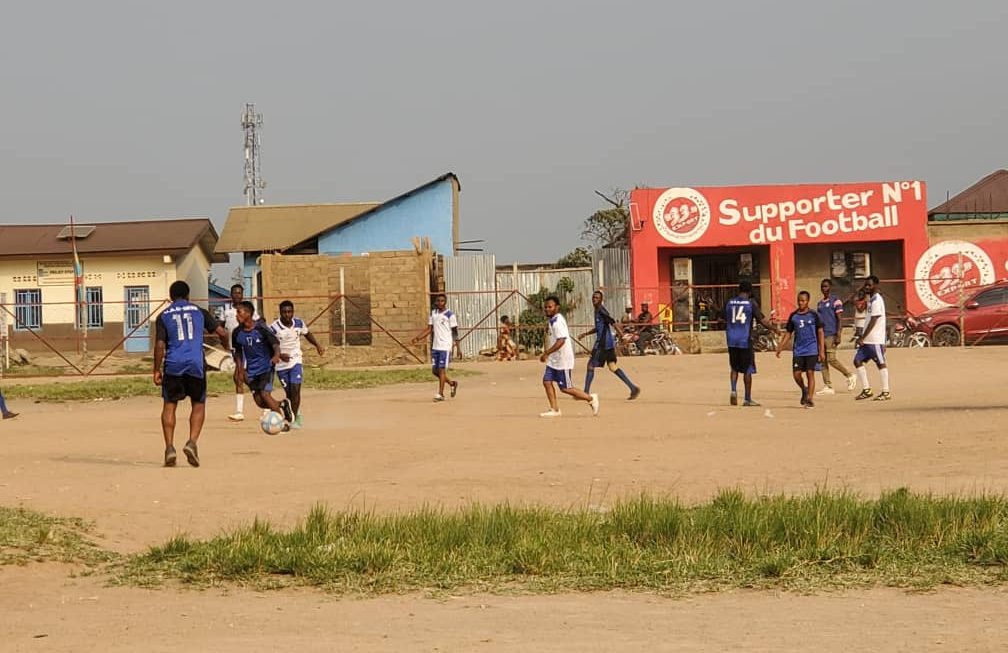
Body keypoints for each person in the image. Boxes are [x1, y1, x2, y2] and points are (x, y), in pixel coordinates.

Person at [153, 280, 230, 467]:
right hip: (196, 364)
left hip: (173, 365)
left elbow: (160, 345)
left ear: (171, 297)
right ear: (188, 295)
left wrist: (156, 369)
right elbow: (222, 333)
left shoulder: (163, 316)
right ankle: (192, 442)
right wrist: (226, 347)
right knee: (198, 404)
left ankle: (169, 448)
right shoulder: (200, 312)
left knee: (170, 405)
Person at [232, 301, 293, 426]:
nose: (236, 315)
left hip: (266, 367)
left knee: (265, 394)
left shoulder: (261, 328)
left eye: (239, 312)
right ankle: (282, 404)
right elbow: (238, 353)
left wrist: (277, 355)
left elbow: (275, 344)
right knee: (259, 402)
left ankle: (281, 424)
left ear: (248, 313)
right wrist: (240, 370)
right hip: (252, 370)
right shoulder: (237, 333)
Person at [540, 295, 599, 417]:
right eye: (546, 307)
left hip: (563, 360)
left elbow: (561, 341)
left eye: (550, 307)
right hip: (554, 360)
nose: (547, 309)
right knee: (546, 381)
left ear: (557, 307)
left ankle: (590, 398)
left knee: (566, 388)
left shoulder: (558, 322)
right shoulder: (552, 321)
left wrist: (546, 353)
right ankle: (554, 409)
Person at [269, 300, 324, 429]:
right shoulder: (273, 328)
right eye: (284, 312)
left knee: (295, 389)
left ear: (293, 312)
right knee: (289, 393)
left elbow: (307, 333)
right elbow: (268, 345)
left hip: (296, 361)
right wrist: (280, 355)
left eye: (290, 312)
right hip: (281, 365)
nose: (287, 315)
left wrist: (317, 345)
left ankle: (293, 420)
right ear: (280, 313)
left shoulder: (299, 323)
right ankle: (296, 412)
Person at [579, 290, 641, 400]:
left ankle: (585, 393)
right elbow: (599, 328)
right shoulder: (597, 310)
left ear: (601, 300)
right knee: (612, 366)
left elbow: (612, 322)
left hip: (602, 344)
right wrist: (586, 334)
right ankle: (633, 388)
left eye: (597, 298)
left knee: (590, 365)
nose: (594, 299)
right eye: (593, 297)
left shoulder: (601, 311)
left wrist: (622, 335)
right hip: (609, 344)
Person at [725, 280, 777, 407]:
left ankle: (733, 390)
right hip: (744, 340)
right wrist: (774, 329)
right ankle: (747, 398)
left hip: (731, 340)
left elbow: (722, 317)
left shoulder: (730, 302)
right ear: (749, 291)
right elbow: (762, 321)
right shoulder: (750, 303)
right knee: (747, 369)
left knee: (734, 367)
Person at [217, 283, 260, 422]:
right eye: (235, 293)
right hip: (233, 348)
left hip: (245, 348)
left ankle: (242, 410)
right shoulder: (226, 310)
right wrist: (223, 343)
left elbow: (259, 324)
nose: (237, 295)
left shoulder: (248, 310)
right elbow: (220, 328)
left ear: (242, 295)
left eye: (239, 293)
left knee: (239, 376)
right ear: (231, 295)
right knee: (240, 377)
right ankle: (261, 397)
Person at [776, 290, 825, 408]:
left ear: (808, 301)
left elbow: (820, 332)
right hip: (799, 350)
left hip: (812, 349)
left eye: (803, 301)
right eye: (799, 300)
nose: (801, 303)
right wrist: (781, 346)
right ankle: (804, 389)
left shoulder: (814, 315)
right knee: (796, 374)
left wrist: (821, 350)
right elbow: (788, 332)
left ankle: (810, 399)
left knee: (810, 373)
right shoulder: (794, 316)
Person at [411, 293, 461, 401]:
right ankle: (452, 384)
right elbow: (429, 329)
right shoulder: (433, 313)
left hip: (445, 346)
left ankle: (441, 394)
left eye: (442, 301)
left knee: (442, 370)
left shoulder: (450, 315)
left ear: (445, 302)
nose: (440, 303)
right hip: (436, 346)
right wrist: (418, 338)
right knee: (435, 371)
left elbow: (455, 332)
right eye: (438, 301)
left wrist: (458, 347)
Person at [853, 275, 891, 401]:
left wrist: (862, 337)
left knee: (880, 363)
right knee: (857, 361)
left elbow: (874, 320)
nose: (867, 287)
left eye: (869, 285)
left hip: (875, 339)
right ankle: (867, 389)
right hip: (867, 340)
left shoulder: (877, 300)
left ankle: (886, 391)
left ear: (876, 285)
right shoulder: (871, 300)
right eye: (866, 285)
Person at [816, 279, 857, 394]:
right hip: (822, 334)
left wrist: (839, 334)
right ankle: (827, 385)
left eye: (826, 286)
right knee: (822, 360)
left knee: (831, 359)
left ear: (830, 287)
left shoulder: (836, 301)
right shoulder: (820, 304)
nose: (824, 289)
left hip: (831, 334)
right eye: (822, 286)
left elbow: (839, 319)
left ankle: (849, 375)